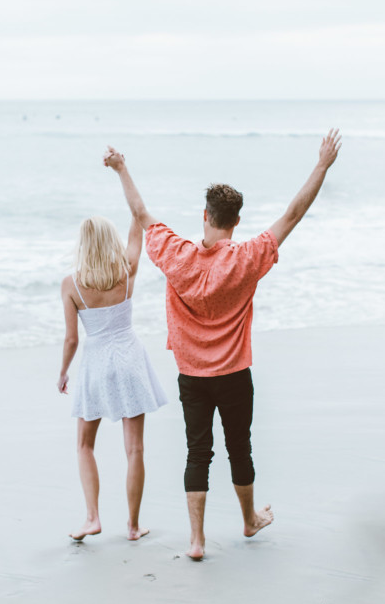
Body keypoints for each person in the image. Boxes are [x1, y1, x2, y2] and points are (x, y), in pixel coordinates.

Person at [103, 129, 342, 559]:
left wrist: (121, 167)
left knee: (198, 451)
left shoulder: (176, 255)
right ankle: (249, 520)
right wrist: (322, 165)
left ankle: (196, 541)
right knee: (239, 448)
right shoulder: (247, 258)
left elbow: (140, 213)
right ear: (235, 221)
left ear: (205, 216)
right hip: (234, 374)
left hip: (192, 376)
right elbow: (292, 214)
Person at [57, 214, 167, 542]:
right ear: (110, 241)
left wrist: (63, 372)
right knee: (135, 450)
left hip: (96, 364)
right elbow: (138, 228)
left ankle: (92, 518)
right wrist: (126, 184)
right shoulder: (126, 271)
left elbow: (72, 339)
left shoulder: (71, 284)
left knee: (84, 444)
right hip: (130, 358)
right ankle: (133, 526)